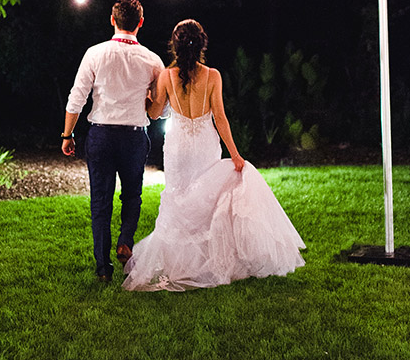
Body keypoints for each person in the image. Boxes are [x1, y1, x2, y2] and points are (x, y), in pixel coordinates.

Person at [123, 19, 305, 292]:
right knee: (208, 202)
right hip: (205, 144)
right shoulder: (213, 76)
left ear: (174, 46)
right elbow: (220, 118)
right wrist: (235, 155)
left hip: (178, 146)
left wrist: (147, 96)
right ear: (202, 45)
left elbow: (152, 113)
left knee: (178, 198)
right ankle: (206, 263)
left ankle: (179, 265)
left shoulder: (166, 77)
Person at [62, 0, 164, 283]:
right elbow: (161, 110)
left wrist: (67, 134)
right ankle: (125, 240)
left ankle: (103, 268)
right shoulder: (153, 60)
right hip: (133, 137)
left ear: (112, 19)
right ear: (141, 23)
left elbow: (77, 98)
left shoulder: (95, 53)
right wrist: (146, 102)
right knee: (132, 195)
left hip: (101, 136)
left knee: (100, 202)